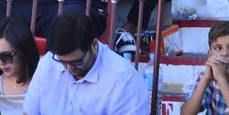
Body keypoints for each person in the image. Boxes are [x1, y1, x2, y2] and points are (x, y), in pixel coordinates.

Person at [21, 12, 149, 114]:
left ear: (93, 45)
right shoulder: (48, 63)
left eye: (76, 61)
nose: (68, 68)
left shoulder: (124, 80)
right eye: (62, 62)